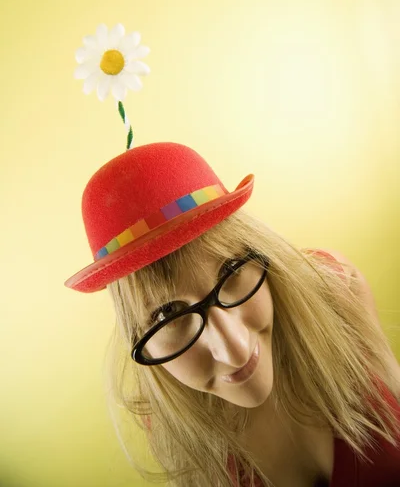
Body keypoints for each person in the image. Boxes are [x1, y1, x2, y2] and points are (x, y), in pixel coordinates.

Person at [65, 141, 400, 487]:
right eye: (168, 315)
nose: (235, 349)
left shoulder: (336, 291)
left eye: (231, 271)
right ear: (141, 338)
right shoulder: (169, 419)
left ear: (260, 250)